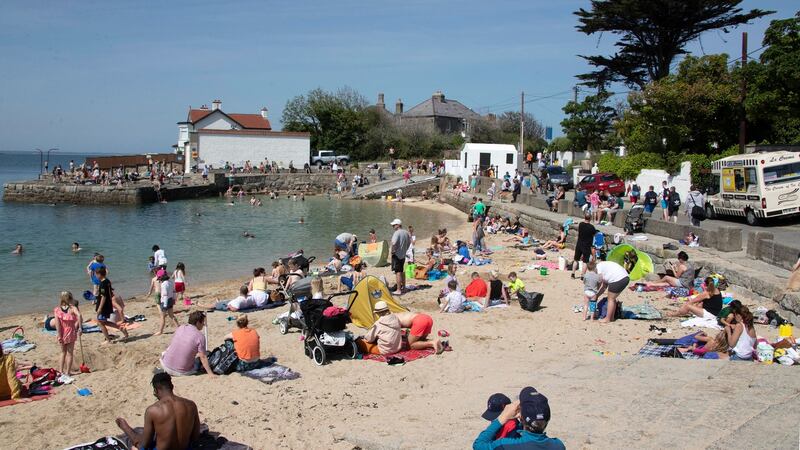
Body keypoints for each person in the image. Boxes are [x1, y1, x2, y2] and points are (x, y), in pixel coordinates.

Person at [116, 373, 201, 450]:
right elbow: (195, 437)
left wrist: (125, 427)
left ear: (156, 391)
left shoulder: (153, 410)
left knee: (134, 447)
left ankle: (123, 425)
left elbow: (144, 445)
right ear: (172, 386)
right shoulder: (191, 405)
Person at [473, 386, 565, 450]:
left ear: (520, 417)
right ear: (548, 419)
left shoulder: (506, 445)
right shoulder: (558, 446)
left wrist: (503, 417)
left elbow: (478, 445)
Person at [161, 311, 216, 377]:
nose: (203, 324)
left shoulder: (181, 327)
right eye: (203, 322)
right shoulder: (200, 336)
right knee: (201, 359)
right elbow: (203, 357)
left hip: (165, 365)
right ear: (198, 322)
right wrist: (210, 373)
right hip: (180, 372)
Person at [95, 267, 128, 343]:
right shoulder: (107, 281)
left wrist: (100, 308)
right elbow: (108, 294)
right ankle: (121, 328)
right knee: (103, 322)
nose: (96, 276)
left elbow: (104, 296)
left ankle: (108, 340)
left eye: (96, 274)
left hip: (103, 306)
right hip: (107, 305)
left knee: (100, 323)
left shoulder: (103, 284)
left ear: (99, 274)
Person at [54, 291, 81, 380]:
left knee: (63, 352)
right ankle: (67, 372)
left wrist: (59, 335)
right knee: (70, 353)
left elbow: (57, 324)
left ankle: (60, 371)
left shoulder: (57, 310)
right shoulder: (72, 308)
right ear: (70, 298)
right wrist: (80, 328)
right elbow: (79, 315)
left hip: (62, 331)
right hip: (71, 331)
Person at [390, 219, 411, 295]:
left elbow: (394, 242)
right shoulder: (406, 232)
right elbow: (409, 243)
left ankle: (399, 290)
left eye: (394, 225)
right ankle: (404, 287)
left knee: (398, 272)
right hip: (403, 254)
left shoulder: (397, 233)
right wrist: (405, 250)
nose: (393, 226)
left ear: (398, 225)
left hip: (397, 254)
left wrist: (393, 251)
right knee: (402, 271)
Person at [156, 269, 180, 335]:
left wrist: (165, 305)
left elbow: (165, 295)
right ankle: (178, 327)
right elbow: (174, 291)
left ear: (161, 277)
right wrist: (174, 299)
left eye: (159, 278)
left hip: (165, 302)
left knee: (162, 317)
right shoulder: (170, 282)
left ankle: (160, 331)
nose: (159, 280)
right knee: (171, 315)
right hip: (171, 300)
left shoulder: (163, 284)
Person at [572, 213, 596, 279]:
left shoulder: (581, 224)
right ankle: (582, 276)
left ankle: (573, 274)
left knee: (576, 260)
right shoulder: (591, 227)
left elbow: (582, 222)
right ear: (590, 218)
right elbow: (594, 235)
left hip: (579, 244)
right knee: (585, 261)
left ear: (584, 217)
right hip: (587, 245)